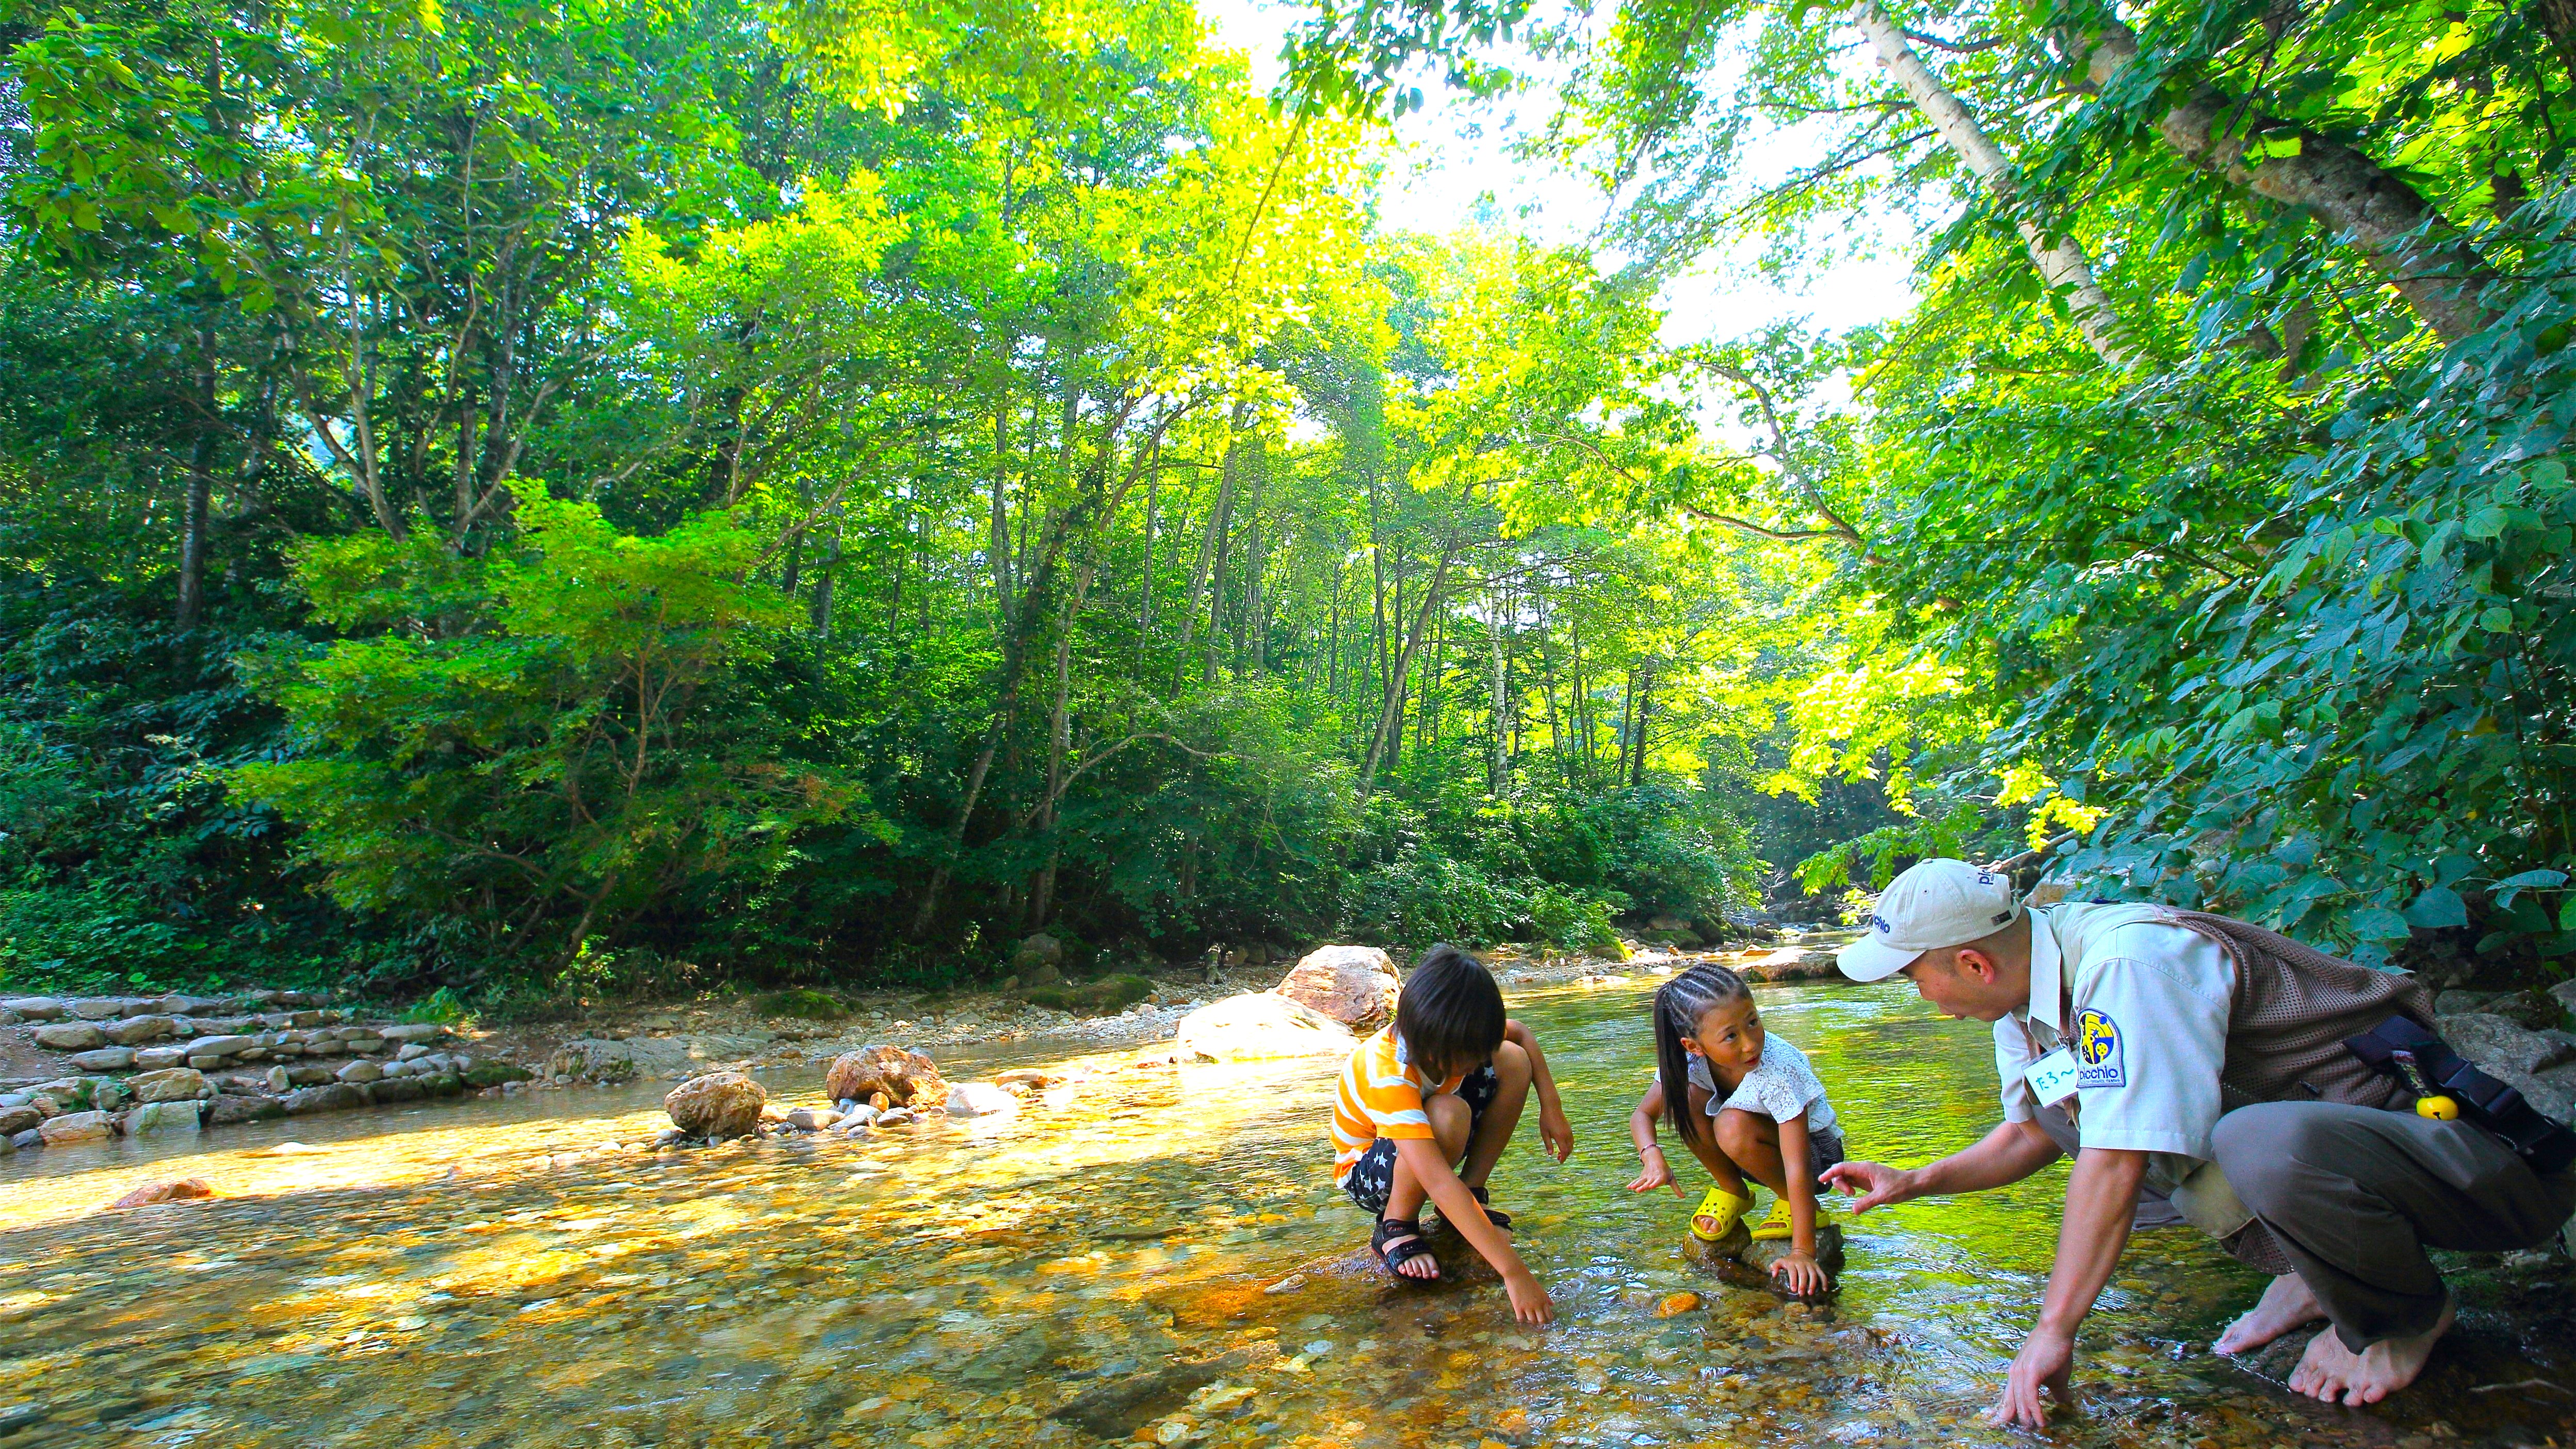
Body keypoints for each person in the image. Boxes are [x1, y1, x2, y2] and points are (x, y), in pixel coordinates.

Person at [1822, 859, 2576, 1425]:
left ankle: (2404, 1315)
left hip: (2482, 1171)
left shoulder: (2126, 965)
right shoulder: (2024, 1005)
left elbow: (2117, 1159)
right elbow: (2032, 1132)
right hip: (2364, 1166)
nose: (1920, 998)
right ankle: (2314, 1271)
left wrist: (2052, 1332)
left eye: (1913, 978)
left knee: (2250, 1139)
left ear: (1974, 963)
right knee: (2073, 1113)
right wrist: (1916, 1179)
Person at [1330, 943, 1574, 1324]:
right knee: (1448, 1112)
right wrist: (1513, 1272)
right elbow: (1439, 1180)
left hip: (1418, 1146)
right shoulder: (1388, 1071)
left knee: (1512, 1057)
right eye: (1469, 1055)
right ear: (1433, 1043)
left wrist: (1551, 1105)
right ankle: (1396, 1226)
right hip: (1368, 1171)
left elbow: (1521, 1034)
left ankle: (1470, 1193)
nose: (1478, 1060)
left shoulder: (1451, 1036)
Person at [1624, 963, 1843, 1297]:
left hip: (1816, 1158)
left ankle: (1796, 1204)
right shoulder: (1689, 1062)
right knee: (1683, 1097)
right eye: (1731, 1035)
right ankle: (1733, 1190)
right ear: (1693, 1046)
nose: (1750, 1042)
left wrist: (1802, 1251)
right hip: (1753, 1148)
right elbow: (1642, 1114)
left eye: (1753, 1021)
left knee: (1730, 1124)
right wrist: (1651, 1156)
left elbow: (1798, 1164)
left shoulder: (1776, 1070)